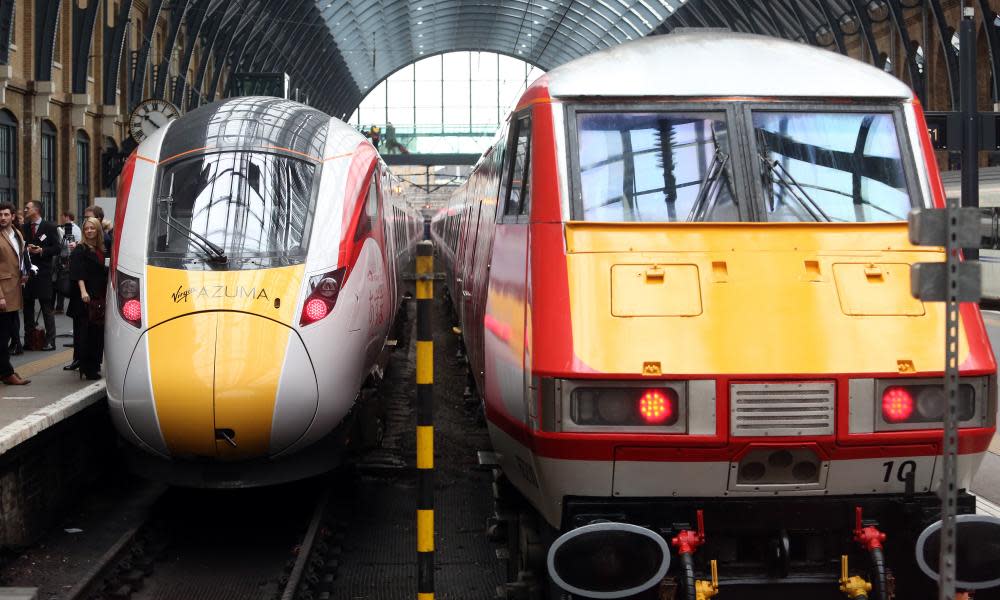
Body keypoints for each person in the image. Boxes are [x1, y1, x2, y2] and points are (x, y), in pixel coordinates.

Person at [68, 217, 107, 380]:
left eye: (92, 228)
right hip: (85, 298)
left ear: (98, 230)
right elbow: (78, 273)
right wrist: (83, 292)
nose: (89, 231)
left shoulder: (101, 249)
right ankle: (87, 367)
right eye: (86, 229)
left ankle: (94, 365)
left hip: (98, 297)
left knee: (97, 333)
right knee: (85, 334)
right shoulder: (80, 249)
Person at [21, 201, 59, 351]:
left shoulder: (49, 227)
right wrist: (26, 248)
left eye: (27, 208)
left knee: (46, 308)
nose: (25, 210)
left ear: (36, 210)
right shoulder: (24, 227)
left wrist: (42, 250)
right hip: (28, 274)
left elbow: (57, 248)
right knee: (28, 308)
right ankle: (29, 339)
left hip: (43, 273)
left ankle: (50, 341)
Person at [0, 202, 29, 384]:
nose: (2, 218)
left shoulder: (17, 234)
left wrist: (25, 271)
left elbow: (20, 257)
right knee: (3, 335)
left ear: (12, 216)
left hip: (15, 290)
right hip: (3, 293)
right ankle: (6, 372)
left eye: (6, 214)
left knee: (10, 332)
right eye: (0, 215)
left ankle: (5, 370)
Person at [54, 211, 80, 314]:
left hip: (68, 258)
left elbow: (67, 244)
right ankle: (59, 306)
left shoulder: (74, 229)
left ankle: (60, 306)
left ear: (67, 217)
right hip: (66, 257)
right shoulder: (76, 228)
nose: (61, 219)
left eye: (62, 216)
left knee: (62, 280)